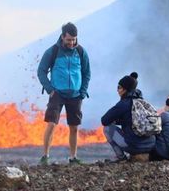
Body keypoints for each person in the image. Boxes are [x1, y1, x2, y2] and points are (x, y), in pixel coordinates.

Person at [37, 22, 90, 165]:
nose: (72, 43)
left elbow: (87, 73)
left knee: (74, 127)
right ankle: (45, 156)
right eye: (68, 40)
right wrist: (49, 89)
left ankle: (73, 158)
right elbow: (41, 71)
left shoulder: (81, 52)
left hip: (75, 94)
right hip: (57, 94)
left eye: (74, 39)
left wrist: (82, 92)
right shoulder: (52, 52)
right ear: (62, 36)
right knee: (51, 123)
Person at [100, 74, 155, 162]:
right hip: (151, 145)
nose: (117, 90)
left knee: (107, 129)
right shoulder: (143, 103)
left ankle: (122, 158)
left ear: (125, 89)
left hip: (135, 147)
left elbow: (104, 120)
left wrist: (116, 120)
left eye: (119, 87)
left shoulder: (124, 104)